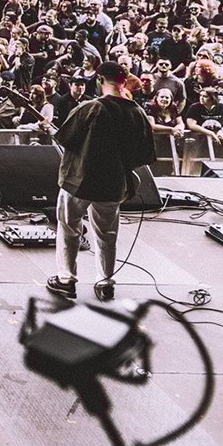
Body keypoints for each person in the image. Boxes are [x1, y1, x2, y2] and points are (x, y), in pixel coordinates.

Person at [48, 60, 155, 302]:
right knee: (107, 233)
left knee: (68, 227)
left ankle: (66, 280)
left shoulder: (90, 108)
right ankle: (105, 283)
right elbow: (144, 155)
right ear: (123, 81)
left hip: (80, 180)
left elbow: (66, 138)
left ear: (99, 80)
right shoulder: (137, 113)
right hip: (113, 184)